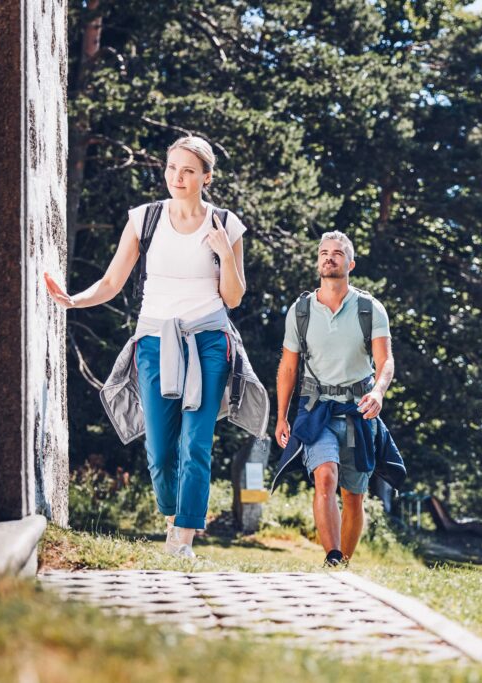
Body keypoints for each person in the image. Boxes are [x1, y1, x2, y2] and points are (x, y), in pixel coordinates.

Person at [44, 136, 268, 558]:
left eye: (187, 170)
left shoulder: (225, 224)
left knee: (195, 443)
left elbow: (235, 297)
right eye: (171, 168)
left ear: (206, 176)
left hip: (209, 341)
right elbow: (112, 282)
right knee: (161, 449)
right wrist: (75, 299)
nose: (177, 178)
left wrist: (224, 253)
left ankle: (183, 538)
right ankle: (172, 515)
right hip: (153, 340)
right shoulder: (145, 218)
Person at [270, 232, 405, 567]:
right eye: (323, 253)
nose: (329, 258)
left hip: (358, 410)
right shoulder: (300, 311)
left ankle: (343, 563)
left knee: (354, 495)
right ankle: (331, 557)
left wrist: (378, 391)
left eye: (337, 253)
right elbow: (288, 366)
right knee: (325, 475)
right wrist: (282, 416)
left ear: (351, 263)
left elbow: (385, 360)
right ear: (318, 261)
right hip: (316, 410)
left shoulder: (369, 309)